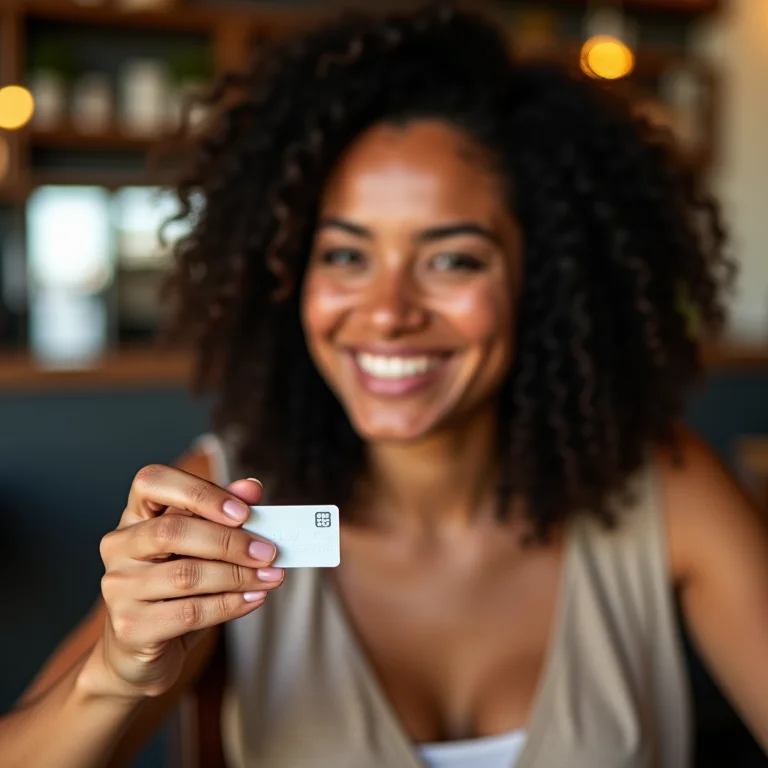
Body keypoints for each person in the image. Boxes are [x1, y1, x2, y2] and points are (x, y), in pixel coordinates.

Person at [3, 5, 767, 768]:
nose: (388, 313)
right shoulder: (225, 502)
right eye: (345, 256)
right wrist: (115, 674)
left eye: (452, 260)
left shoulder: (666, 488)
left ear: (546, 282)